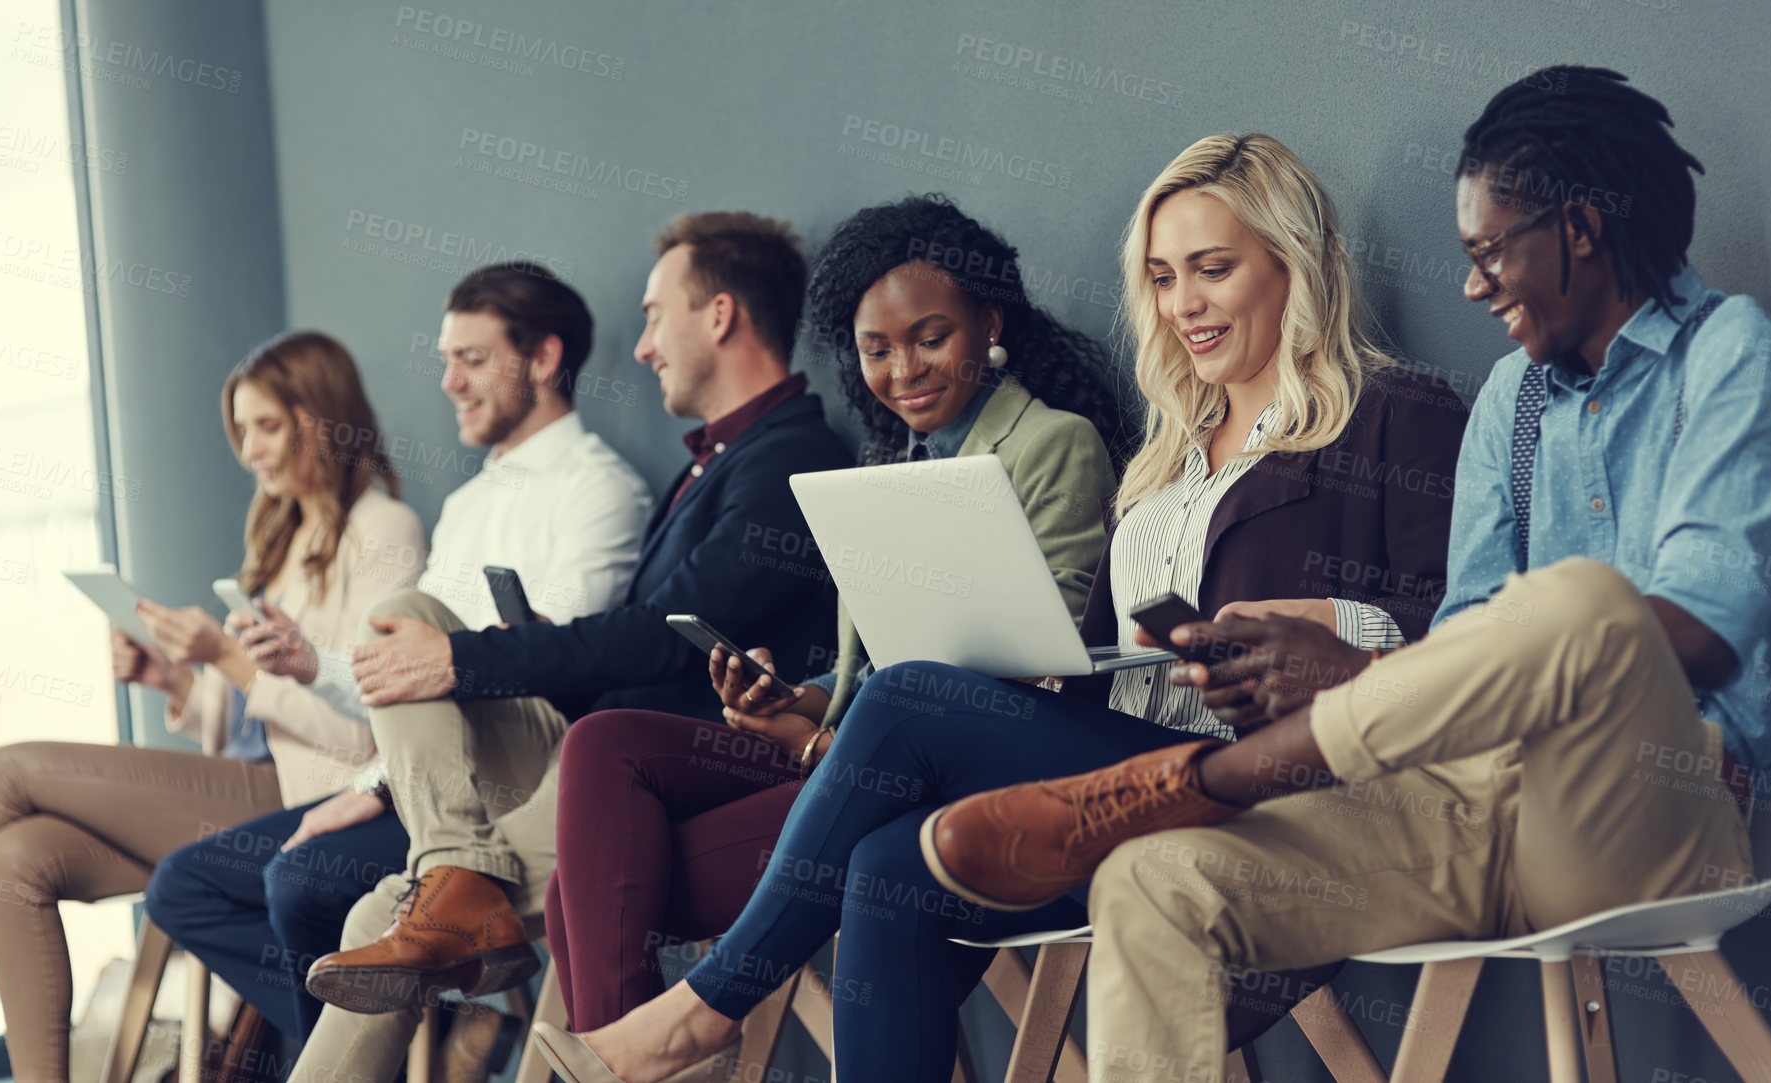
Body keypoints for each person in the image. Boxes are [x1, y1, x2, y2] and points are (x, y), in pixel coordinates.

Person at [920, 68, 1771, 1079]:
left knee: (1586, 603)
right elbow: (1469, 652)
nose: (1473, 285)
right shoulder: (1512, 401)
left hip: (1665, 807)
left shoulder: (1737, 360)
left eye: (1492, 252)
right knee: (1154, 876)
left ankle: (1192, 780)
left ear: (1580, 229)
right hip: (1474, 801)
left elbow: (1700, 628)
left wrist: (1387, 673)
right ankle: (1169, 806)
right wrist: (1344, 671)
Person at [528, 134, 1470, 1083]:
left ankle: (694, 1018)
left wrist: (1327, 623)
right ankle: (688, 1024)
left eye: (1211, 269)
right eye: (1161, 277)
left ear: (1292, 262)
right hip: (1134, 765)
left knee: (904, 698)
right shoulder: (1163, 459)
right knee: (890, 858)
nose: (1183, 304)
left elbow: (1469, 636)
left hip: (1283, 781)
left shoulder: (1391, 414)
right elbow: (1102, 657)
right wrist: (1052, 669)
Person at [539, 194, 1123, 1045]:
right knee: (604, 747)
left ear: (989, 322)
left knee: (590, 886)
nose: (904, 370)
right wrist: (801, 700)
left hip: (951, 766)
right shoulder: (889, 465)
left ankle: (638, 1050)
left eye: (930, 338)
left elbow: (1054, 643)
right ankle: (632, 1050)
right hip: (852, 746)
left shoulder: (1053, 442)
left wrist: (829, 735)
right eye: (876, 350)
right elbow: (875, 665)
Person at [284, 212, 852, 1083]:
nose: (643, 345)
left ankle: (451, 880)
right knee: (404, 609)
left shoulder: (793, 458)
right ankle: (455, 869)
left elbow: (667, 641)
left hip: (675, 767)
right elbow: (648, 635)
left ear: (721, 315)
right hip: (601, 750)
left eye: (656, 315)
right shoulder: (714, 463)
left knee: (381, 917)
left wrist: (466, 659)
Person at [143, 263, 652, 1054]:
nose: (448, 381)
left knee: (304, 876)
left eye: (472, 359)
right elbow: (405, 677)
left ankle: (425, 998)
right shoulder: (465, 505)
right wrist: (312, 674)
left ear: (544, 361)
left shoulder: (599, 491)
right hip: (424, 778)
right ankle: (446, 1022)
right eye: (446, 359)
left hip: (520, 776)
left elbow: (550, 661)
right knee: (191, 881)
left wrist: (372, 777)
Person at [0, 331, 424, 1083]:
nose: (249, 450)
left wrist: (225, 657)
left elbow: (364, 728)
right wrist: (173, 680)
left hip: (320, 798)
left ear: (318, 419)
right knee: (11, 861)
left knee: (8, 773)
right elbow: (250, 724)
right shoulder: (285, 537)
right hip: (251, 788)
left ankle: (394, 1039)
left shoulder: (383, 531)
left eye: (266, 425)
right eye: (242, 430)